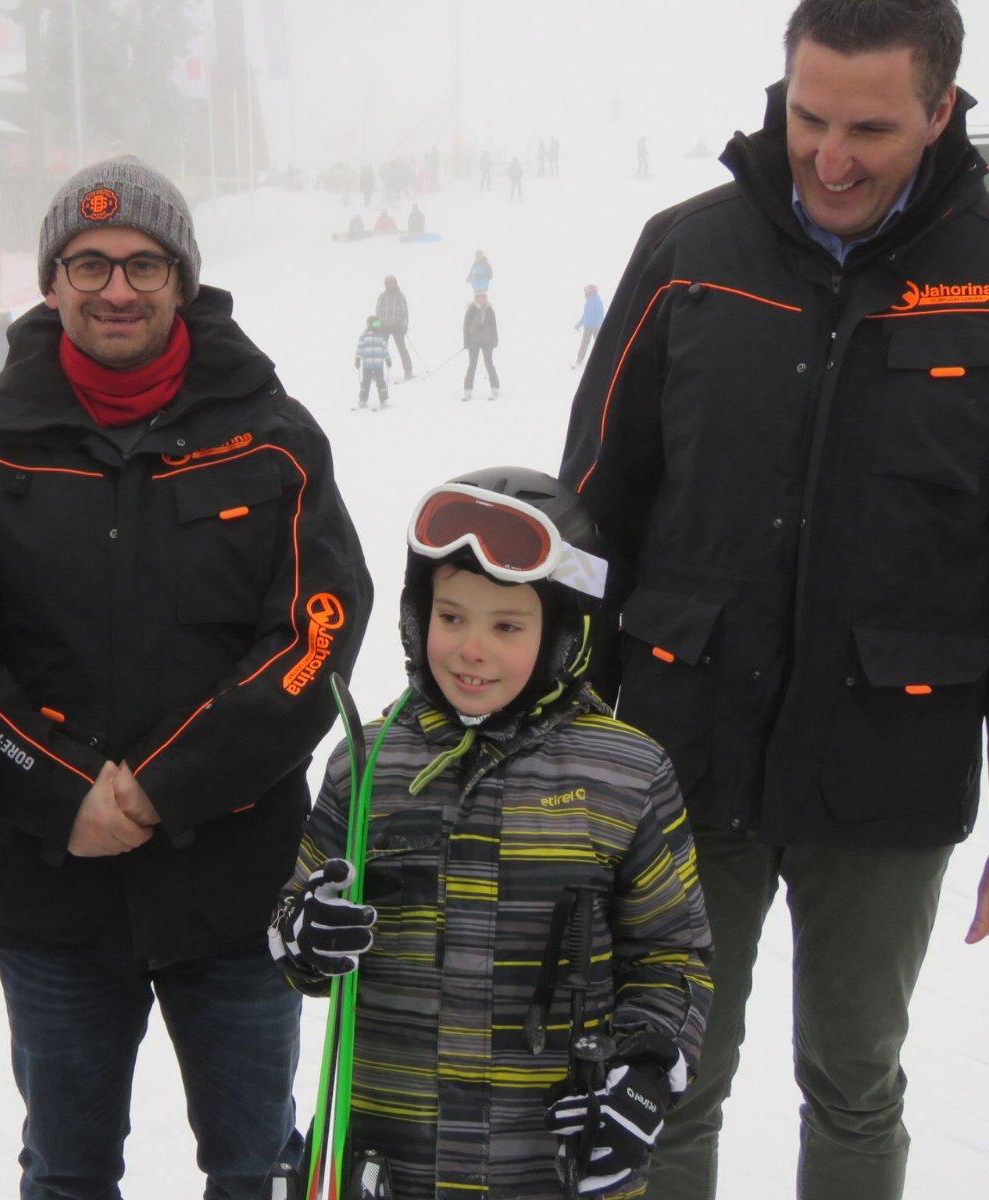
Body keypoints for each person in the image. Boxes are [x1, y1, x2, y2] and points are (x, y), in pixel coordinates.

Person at [558, 3, 989, 1197]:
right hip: (683, 750)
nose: (831, 159)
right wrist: (565, 745)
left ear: (941, 109)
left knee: (855, 1084)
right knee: (667, 1075)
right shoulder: (688, 253)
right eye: (808, 118)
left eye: (871, 128)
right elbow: (592, 515)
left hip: (892, 758)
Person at [0, 155, 372, 1200]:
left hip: (234, 888)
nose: (114, 288)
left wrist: (165, 786)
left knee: (255, 1167)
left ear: (182, 279)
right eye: (88, 263)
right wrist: (58, 789)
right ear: (50, 281)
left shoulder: (271, 436)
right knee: (68, 1169)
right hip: (55, 889)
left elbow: (316, 631)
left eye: (141, 264)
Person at [270, 467, 712, 1199]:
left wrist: (641, 1082)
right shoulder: (366, 764)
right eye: (452, 618)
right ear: (419, 619)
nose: (472, 650)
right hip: (394, 1162)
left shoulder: (627, 773)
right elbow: (296, 928)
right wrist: (304, 933)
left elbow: (673, 956)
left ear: (563, 635)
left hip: (547, 1164)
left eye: (507, 626)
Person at [462, 290, 499, 401]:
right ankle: (467, 390)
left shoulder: (489, 310)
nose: (481, 299)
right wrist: (466, 341)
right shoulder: (471, 309)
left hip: (487, 341)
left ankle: (495, 388)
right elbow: (466, 326)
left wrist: (495, 339)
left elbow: (493, 325)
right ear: (475, 298)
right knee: (472, 365)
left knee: (489, 363)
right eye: (479, 297)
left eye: (483, 297)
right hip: (473, 342)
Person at [375, 274, 413, 379]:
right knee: (381, 349)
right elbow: (378, 312)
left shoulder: (400, 296)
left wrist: (404, 326)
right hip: (384, 326)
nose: (390, 285)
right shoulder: (382, 297)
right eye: (388, 283)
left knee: (402, 348)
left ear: (395, 283)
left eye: (392, 282)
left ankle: (408, 370)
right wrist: (377, 325)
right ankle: (377, 372)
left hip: (397, 326)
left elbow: (405, 312)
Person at [355, 314, 391, 410]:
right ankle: (363, 399)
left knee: (380, 381)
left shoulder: (381, 336)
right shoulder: (364, 337)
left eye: (378, 323)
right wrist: (357, 359)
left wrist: (387, 358)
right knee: (365, 382)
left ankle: (383, 400)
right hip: (367, 365)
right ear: (369, 324)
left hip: (379, 364)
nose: (377, 325)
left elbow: (384, 349)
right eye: (375, 323)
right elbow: (359, 348)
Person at [574, 283, 604, 368]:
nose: (585, 291)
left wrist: (599, 325)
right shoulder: (588, 301)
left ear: (592, 290)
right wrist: (578, 324)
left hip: (596, 327)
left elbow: (600, 314)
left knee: (599, 343)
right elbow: (585, 315)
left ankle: (602, 360)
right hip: (587, 327)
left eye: (587, 289)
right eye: (585, 289)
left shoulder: (597, 300)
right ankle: (579, 360)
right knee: (584, 343)